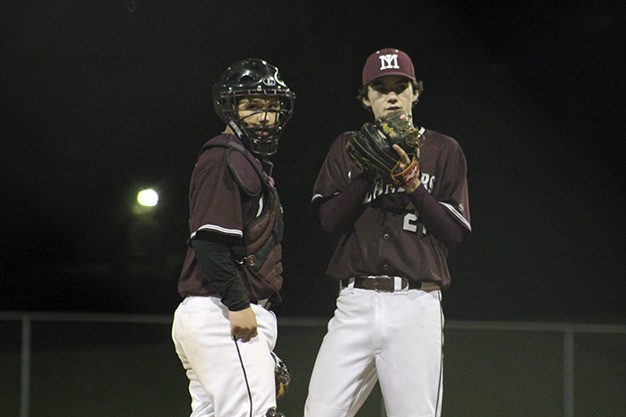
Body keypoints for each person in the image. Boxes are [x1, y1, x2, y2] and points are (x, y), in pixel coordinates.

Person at [304, 48, 472, 417]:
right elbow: (329, 222)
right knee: (320, 411)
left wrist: (413, 184)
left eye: (401, 86)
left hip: (415, 305)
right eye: (380, 88)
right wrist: (366, 173)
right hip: (354, 303)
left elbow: (453, 234)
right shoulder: (347, 148)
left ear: (416, 92)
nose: (392, 95)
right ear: (366, 99)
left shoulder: (444, 150)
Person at [171, 58, 295, 417]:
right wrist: (239, 305)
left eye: (272, 107)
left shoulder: (245, 159)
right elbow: (208, 240)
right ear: (230, 107)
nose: (265, 116)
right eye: (253, 106)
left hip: (215, 314)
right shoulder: (224, 155)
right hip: (222, 312)